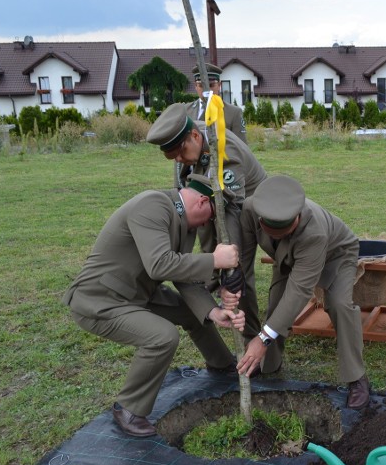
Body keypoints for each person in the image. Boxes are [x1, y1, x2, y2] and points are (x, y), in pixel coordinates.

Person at [63, 175, 246, 437]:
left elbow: (181, 274)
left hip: (138, 292)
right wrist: (214, 260)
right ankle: (128, 408)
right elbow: (160, 264)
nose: (208, 224)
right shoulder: (153, 206)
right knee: (162, 337)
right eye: (210, 217)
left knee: (192, 312)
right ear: (203, 201)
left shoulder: (184, 220)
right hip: (100, 300)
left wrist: (212, 311)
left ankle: (221, 363)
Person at [235, 175, 371, 409]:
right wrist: (233, 287)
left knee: (339, 305)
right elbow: (244, 260)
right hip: (287, 258)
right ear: (261, 220)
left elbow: (299, 291)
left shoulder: (313, 232)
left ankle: (357, 377)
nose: (285, 234)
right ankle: (269, 364)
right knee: (277, 305)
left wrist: (263, 338)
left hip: (336, 255)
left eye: (290, 230)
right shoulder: (250, 209)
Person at [146, 102, 266, 341]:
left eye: (181, 154)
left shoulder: (225, 151)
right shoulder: (183, 141)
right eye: (174, 157)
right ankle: (211, 304)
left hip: (246, 205)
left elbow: (231, 208)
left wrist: (232, 259)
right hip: (209, 199)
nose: (179, 159)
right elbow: (182, 185)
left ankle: (250, 334)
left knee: (238, 271)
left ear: (194, 136)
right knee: (211, 254)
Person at [194, 63, 247, 144]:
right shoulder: (185, 111)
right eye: (201, 85)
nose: (206, 90)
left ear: (219, 85)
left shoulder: (234, 113)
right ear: (196, 86)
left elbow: (241, 146)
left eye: (211, 85)